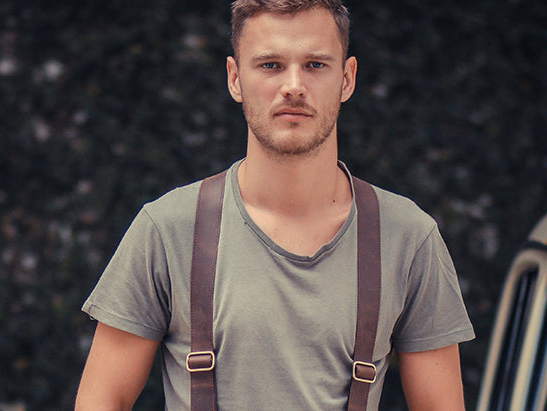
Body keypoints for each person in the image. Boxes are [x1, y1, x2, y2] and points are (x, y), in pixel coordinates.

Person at [75, 0, 474, 409]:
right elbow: (101, 400)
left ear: (347, 78)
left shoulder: (408, 237)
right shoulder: (168, 229)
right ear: (235, 78)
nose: (293, 86)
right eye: (270, 65)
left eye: (315, 64)